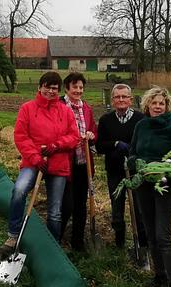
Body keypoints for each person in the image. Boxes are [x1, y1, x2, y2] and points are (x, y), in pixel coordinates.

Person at [0, 71, 80, 256]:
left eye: (54, 88)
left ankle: (52, 245)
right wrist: (35, 158)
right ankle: (13, 236)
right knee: (19, 190)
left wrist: (56, 145)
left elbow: (74, 136)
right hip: (33, 162)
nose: (51, 91)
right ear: (40, 87)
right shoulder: (27, 108)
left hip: (58, 164)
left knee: (55, 211)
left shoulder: (65, 110)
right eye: (47, 87)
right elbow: (21, 136)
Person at [129, 87, 171, 287]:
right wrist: (137, 164)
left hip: (165, 187)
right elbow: (132, 153)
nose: (157, 107)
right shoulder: (141, 126)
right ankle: (159, 276)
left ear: (167, 106)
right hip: (144, 185)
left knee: (163, 236)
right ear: (147, 105)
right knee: (151, 234)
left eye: (161, 103)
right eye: (153, 103)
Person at [96, 84, 149, 265]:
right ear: (112, 100)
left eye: (124, 97)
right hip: (115, 172)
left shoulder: (141, 120)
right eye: (117, 97)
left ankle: (142, 246)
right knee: (117, 211)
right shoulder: (105, 120)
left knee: (139, 211)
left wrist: (134, 153)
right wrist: (115, 144)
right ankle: (119, 243)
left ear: (131, 99)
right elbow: (100, 146)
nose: (121, 100)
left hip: (136, 173)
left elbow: (145, 144)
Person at [59, 72, 97, 251]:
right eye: (75, 87)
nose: (78, 91)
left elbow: (93, 131)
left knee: (81, 205)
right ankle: (56, 239)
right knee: (66, 204)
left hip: (84, 163)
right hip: (65, 163)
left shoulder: (86, 109)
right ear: (67, 88)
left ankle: (78, 242)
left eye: (81, 87)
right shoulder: (59, 106)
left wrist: (90, 135)